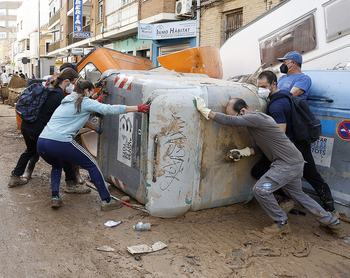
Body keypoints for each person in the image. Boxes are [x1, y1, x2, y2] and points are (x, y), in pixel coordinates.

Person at [194, 96, 345, 238]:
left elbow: (230, 121)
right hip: (293, 161)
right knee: (299, 195)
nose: (237, 121)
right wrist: (245, 152)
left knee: (261, 190)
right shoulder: (259, 120)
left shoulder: (255, 118)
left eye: (235, 116)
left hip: (287, 164)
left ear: (243, 111)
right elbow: (266, 145)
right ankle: (332, 223)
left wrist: (207, 112)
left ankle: (281, 222)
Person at [37, 80, 150, 210]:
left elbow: (82, 115)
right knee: (92, 164)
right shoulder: (84, 102)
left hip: (42, 141)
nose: (92, 94)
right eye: (92, 92)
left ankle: (55, 197)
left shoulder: (68, 100)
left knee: (56, 165)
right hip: (60, 141)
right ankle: (107, 201)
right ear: (86, 91)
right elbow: (108, 109)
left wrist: (97, 104)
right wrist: (138, 108)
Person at [256, 70, 338, 216]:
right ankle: (330, 208)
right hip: (301, 141)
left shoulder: (276, 106)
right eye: (258, 86)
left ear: (274, 84)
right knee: (312, 175)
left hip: (291, 146)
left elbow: (280, 134)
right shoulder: (286, 95)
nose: (260, 90)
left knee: (259, 171)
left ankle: (288, 199)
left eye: (264, 86)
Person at [8, 68, 90, 194]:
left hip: (26, 126)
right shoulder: (60, 97)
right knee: (66, 151)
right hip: (38, 129)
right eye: (73, 83)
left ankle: (15, 177)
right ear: (66, 82)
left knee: (29, 151)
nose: (74, 86)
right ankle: (71, 183)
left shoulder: (50, 89)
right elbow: (74, 112)